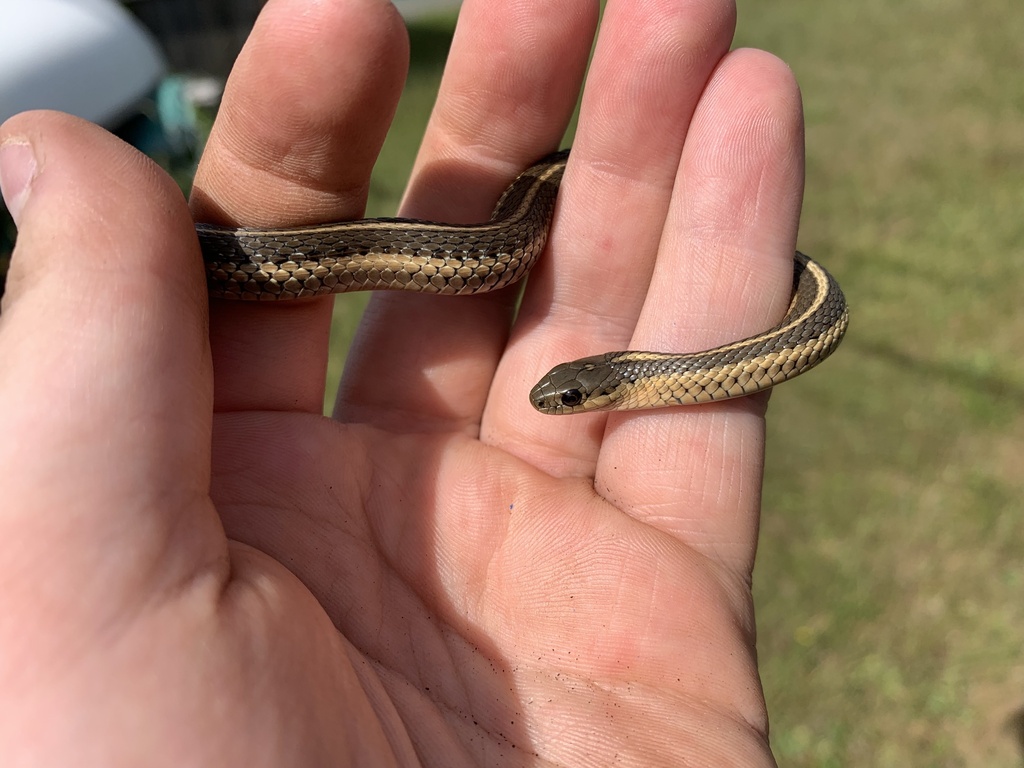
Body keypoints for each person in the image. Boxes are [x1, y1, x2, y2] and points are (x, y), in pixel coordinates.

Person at [0, 0, 807, 763]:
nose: (559, 405)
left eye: (569, 399)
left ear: (606, 390)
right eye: (568, 394)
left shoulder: (655, 369)